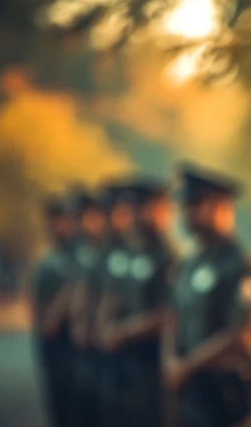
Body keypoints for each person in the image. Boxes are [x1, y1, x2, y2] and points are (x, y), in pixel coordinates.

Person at [162, 165, 251, 427]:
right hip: (189, 390)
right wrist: (170, 361)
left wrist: (185, 367)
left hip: (224, 391)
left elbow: (242, 334)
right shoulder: (189, 263)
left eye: (196, 204)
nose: (186, 213)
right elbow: (173, 315)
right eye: (185, 205)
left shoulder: (243, 265)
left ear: (222, 207)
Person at [96, 181, 174, 427]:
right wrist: (104, 328)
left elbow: (169, 313)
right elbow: (111, 294)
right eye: (137, 208)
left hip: (151, 360)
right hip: (121, 359)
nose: (141, 215)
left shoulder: (168, 256)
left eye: (149, 208)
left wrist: (124, 330)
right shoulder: (127, 251)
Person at [32, 196, 78, 427]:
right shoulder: (49, 260)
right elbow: (41, 312)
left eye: (63, 220)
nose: (58, 226)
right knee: (59, 409)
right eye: (54, 220)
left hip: (72, 347)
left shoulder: (77, 256)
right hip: (54, 348)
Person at [68, 191, 109, 427]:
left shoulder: (109, 251)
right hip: (84, 344)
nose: (85, 223)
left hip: (104, 345)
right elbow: (80, 290)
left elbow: (109, 297)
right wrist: (78, 322)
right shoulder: (84, 250)